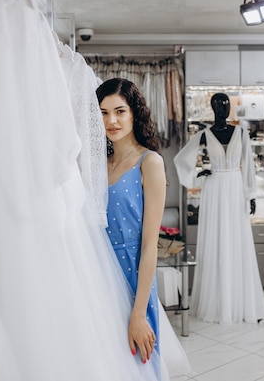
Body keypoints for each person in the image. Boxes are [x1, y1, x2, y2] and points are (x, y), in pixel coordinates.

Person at [174, 92, 264, 324]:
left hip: (235, 189)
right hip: (214, 188)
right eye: (217, 105)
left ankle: (238, 299)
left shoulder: (242, 133)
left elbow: (248, 167)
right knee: (216, 239)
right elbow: (181, 160)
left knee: (236, 239)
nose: (222, 109)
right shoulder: (204, 135)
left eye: (225, 104)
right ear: (212, 108)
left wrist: (251, 195)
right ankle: (216, 302)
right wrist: (198, 175)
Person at [97, 78, 167, 376]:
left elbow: (150, 244)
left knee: (135, 365)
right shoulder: (95, 163)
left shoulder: (149, 162)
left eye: (119, 111)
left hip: (131, 275)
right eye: (102, 113)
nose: (111, 120)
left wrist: (139, 312)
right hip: (96, 272)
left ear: (134, 113)